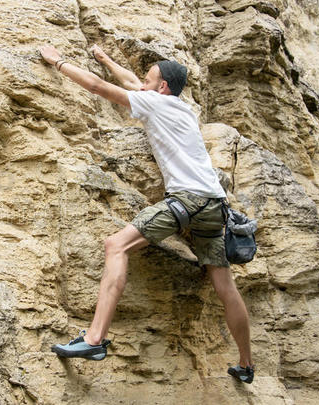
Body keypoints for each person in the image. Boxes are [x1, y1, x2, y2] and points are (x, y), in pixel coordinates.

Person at [40, 44, 255, 384]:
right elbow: (133, 83)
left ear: (161, 87)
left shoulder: (154, 103)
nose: (142, 81)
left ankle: (94, 339)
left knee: (116, 246)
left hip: (187, 201)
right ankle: (245, 363)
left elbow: (98, 88)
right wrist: (107, 59)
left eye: (149, 78)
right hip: (216, 206)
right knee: (224, 285)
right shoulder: (180, 108)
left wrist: (58, 61)